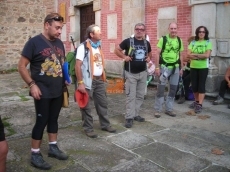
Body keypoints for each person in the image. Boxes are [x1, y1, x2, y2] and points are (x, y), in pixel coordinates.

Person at [18, 13, 69, 170]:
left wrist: (66, 78)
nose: (60, 31)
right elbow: (21, 66)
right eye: (57, 27)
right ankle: (35, 154)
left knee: (53, 119)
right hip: (42, 91)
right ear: (47, 25)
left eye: (61, 28)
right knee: (42, 121)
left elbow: (62, 62)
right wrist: (32, 84)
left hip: (58, 89)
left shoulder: (60, 43)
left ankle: (53, 147)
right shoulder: (33, 43)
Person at [75, 24, 116, 138]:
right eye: (98, 31)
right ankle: (88, 128)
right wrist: (80, 83)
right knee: (86, 106)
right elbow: (78, 66)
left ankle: (105, 125)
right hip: (88, 81)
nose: (101, 33)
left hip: (99, 81)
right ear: (91, 34)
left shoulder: (98, 46)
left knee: (103, 103)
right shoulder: (83, 47)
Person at [114, 23, 152, 128]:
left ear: (144, 31)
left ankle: (135, 114)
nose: (139, 31)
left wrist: (149, 58)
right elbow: (116, 50)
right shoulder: (128, 41)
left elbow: (150, 54)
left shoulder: (146, 43)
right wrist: (124, 56)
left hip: (143, 72)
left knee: (140, 96)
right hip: (131, 73)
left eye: (141, 29)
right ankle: (129, 117)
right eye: (137, 29)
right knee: (131, 96)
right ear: (134, 30)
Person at [154, 22, 184, 118]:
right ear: (168, 29)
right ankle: (158, 110)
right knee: (161, 89)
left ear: (177, 29)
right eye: (171, 28)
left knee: (173, 89)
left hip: (175, 68)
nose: (173, 30)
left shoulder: (179, 40)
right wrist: (157, 67)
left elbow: (181, 55)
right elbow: (157, 54)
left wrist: (181, 68)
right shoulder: (163, 39)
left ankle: (169, 109)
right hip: (164, 67)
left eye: (175, 28)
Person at [187, 26, 212, 113]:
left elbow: (207, 55)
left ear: (205, 33)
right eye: (200, 32)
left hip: (203, 67)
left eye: (203, 32)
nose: (201, 33)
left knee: (201, 86)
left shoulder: (208, 42)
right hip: (193, 66)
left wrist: (195, 55)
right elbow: (188, 54)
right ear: (197, 33)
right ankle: (196, 101)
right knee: (194, 86)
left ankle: (200, 104)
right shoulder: (193, 42)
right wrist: (200, 56)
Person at [176, 36, 195, 104]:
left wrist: (191, 59)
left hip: (194, 70)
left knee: (186, 80)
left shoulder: (196, 49)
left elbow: (192, 59)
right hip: (187, 68)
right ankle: (177, 94)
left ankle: (183, 96)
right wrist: (190, 59)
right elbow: (185, 58)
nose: (189, 45)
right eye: (189, 43)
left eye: (190, 43)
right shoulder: (190, 49)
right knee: (179, 77)